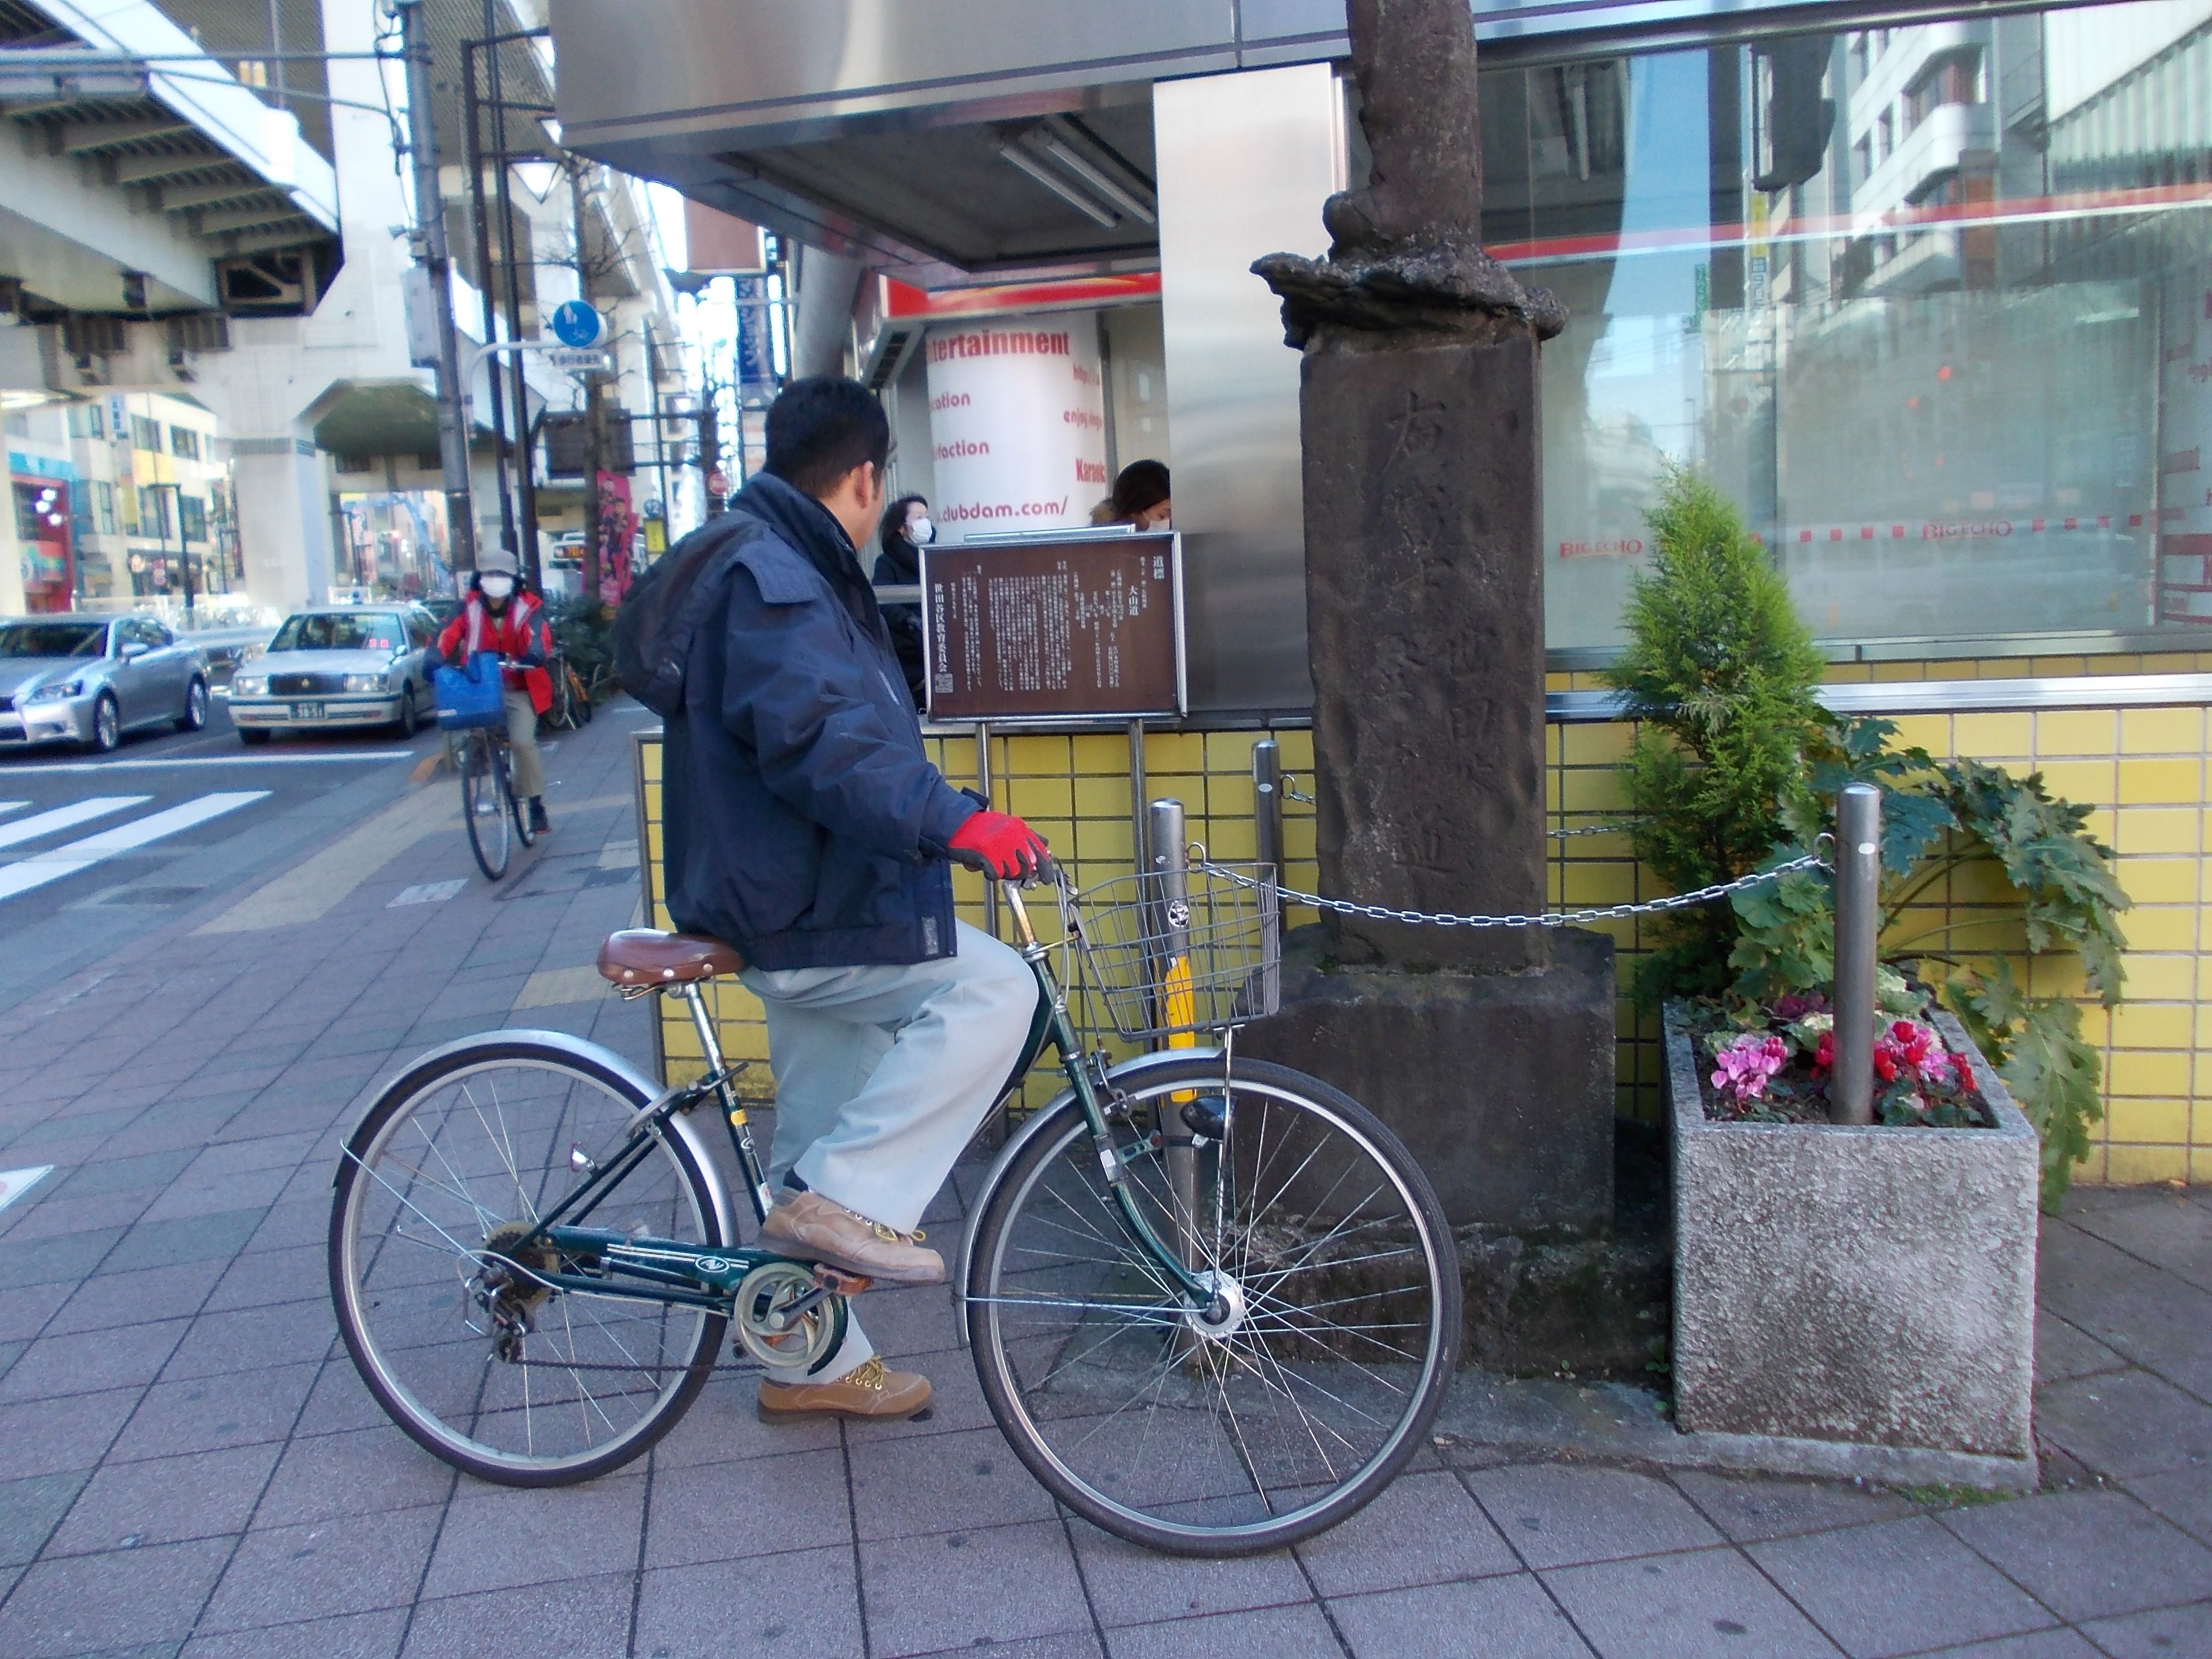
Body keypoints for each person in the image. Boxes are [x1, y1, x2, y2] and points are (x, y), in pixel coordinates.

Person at [657, 377, 1050, 1422]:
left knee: (823, 1127)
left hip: (791, 888)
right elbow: (824, 740)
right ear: (867, 474)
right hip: (801, 904)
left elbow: (838, 735)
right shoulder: (776, 575)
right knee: (996, 992)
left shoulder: (775, 557)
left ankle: (808, 1363)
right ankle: (847, 1202)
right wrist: (954, 823)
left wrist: (945, 811)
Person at [433, 547, 554, 835]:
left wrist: (533, 655)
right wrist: (434, 657)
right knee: (471, 730)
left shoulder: (529, 607)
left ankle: (535, 803)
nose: (495, 580)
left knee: (523, 742)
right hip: (479, 686)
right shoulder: (466, 607)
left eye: (502, 574)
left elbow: (540, 639)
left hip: (517, 686)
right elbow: (446, 635)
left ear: (514, 580)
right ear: (479, 579)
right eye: (490, 574)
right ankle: (478, 756)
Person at [872, 492, 931, 705]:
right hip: (907, 656)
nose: (925, 523)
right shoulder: (887, 563)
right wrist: (909, 620)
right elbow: (883, 601)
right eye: (918, 518)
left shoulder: (935, 559)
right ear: (901, 527)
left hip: (936, 652)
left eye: (927, 517)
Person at [1106, 458, 1171, 529]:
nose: (1168, 522)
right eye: (1162, 516)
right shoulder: (1107, 539)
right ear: (1134, 511)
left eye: (1170, 516)